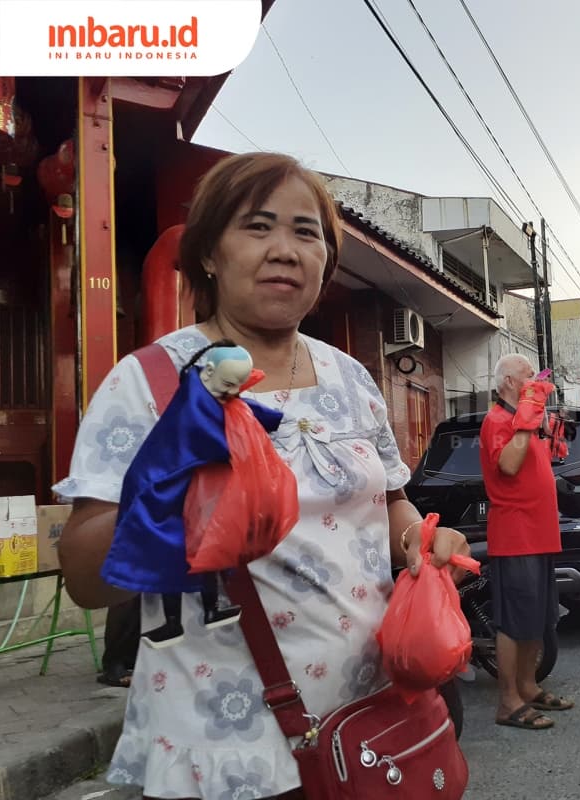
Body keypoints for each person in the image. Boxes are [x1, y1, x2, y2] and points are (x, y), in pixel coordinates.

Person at [54, 152, 470, 800]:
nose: (285, 249)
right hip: (224, 749)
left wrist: (421, 539)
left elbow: (391, 505)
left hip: (371, 719)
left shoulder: (352, 378)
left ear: (326, 262)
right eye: (257, 226)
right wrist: (173, 489)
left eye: (306, 232)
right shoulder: (149, 383)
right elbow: (84, 577)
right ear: (210, 254)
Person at [479, 353, 573, 731]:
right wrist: (527, 421)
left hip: (541, 532)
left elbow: (538, 465)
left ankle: (529, 687)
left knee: (539, 618)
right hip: (516, 535)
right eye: (527, 376)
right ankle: (508, 702)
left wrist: (550, 436)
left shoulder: (526, 422)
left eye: (535, 376)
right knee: (515, 621)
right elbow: (508, 466)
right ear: (507, 383)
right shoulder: (497, 420)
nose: (535, 382)